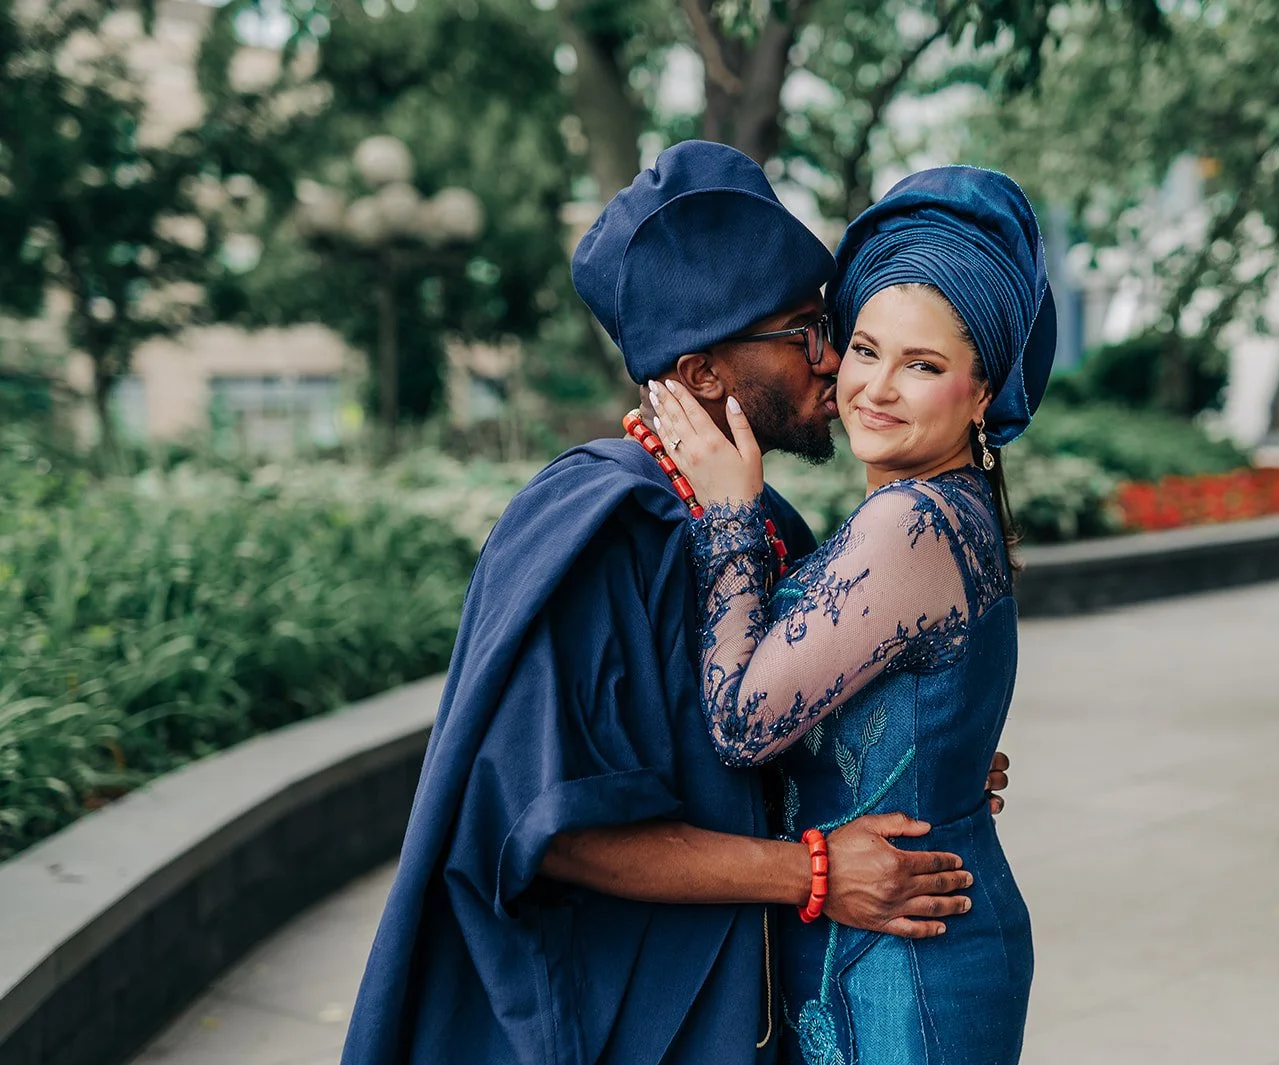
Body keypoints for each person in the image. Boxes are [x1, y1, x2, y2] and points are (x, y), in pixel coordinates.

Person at [339, 142, 1011, 1065]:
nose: (836, 364)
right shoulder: (604, 526)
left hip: (771, 1002)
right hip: (630, 1011)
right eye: (809, 331)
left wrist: (923, 748)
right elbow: (546, 826)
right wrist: (811, 871)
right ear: (700, 374)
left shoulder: (759, 515)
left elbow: (804, 722)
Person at [650, 164, 1053, 1065]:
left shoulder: (911, 521)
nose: (872, 386)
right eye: (865, 348)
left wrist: (730, 515)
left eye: (924, 365)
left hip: (908, 972)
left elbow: (740, 722)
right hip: (880, 941)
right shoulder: (928, 507)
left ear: (982, 394)